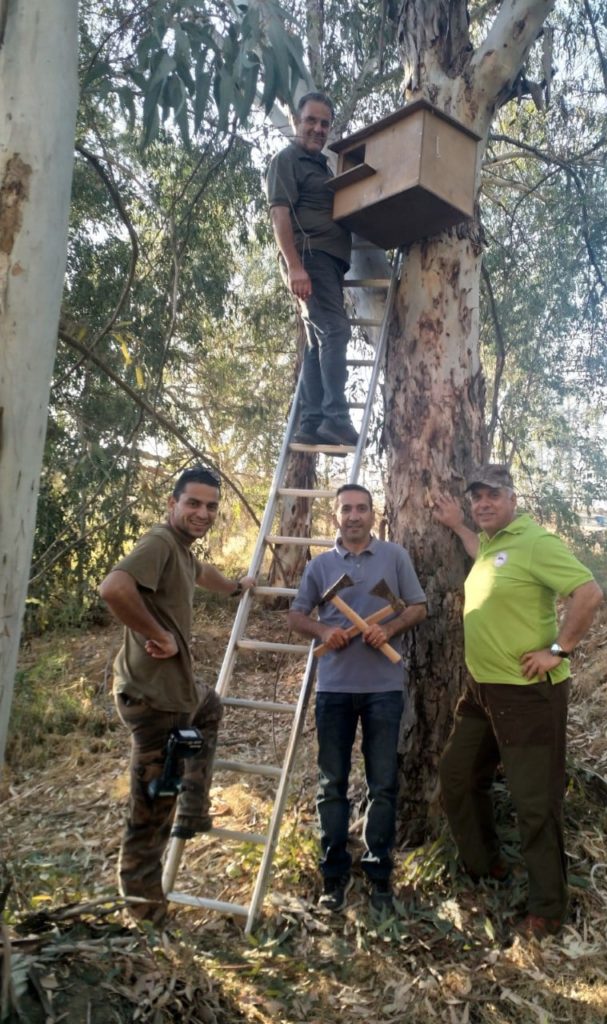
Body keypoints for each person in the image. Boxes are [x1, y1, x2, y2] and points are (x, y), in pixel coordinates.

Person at [433, 465, 603, 941]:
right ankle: (490, 868)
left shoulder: (535, 542)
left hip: (528, 696)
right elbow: (482, 555)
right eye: (477, 497)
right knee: (458, 775)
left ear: (512, 499)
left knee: (535, 803)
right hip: (482, 690)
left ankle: (548, 909)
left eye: (493, 496)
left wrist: (559, 651)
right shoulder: (490, 543)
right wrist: (458, 527)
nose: (483, 503)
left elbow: (589, 592)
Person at [99, 466, 255, 925]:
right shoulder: (161, 542)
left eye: (210, 506)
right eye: (193, 503)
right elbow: (114, 588)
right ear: (172, 504)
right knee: (149, 818)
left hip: (177, 694)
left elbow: (199, 571)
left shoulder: (181, 552)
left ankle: (193, 808)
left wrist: (234, 587)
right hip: (157, 703)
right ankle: (148, 921)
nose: (202, 513)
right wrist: (158, 633)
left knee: (209, 707)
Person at [287, 483, 427, 912]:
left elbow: (418, 607)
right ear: (336, 516)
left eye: (361, 508)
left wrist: (390, 628)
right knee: (332, 784)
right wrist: (325, 631)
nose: (353, 516)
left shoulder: (395, 557)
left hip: (384, 689)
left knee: (382, 783)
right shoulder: (321, 565)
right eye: (346, 509)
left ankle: (379, 872)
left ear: (372, 514)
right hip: (333, 690)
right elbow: (296, 616)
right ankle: (333, 874)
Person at [266, 91, 358, 448]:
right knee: (335, 331)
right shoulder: (288, 160)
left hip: (326, 262)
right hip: (309, 258)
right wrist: (294, 266)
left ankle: (312, 421)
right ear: (297, 123)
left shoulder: (321, 166)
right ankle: (336, 418)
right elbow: (279, 214)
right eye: (311, 121)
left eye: (324, 124)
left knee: (318, 342)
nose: (318, 129)